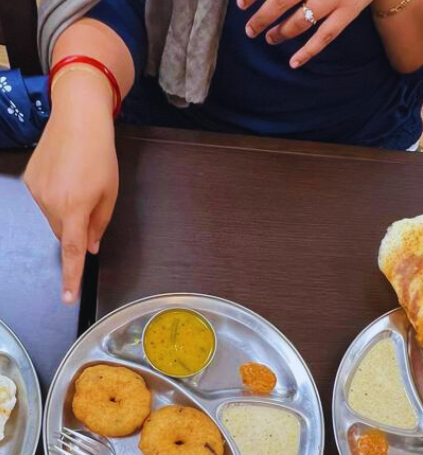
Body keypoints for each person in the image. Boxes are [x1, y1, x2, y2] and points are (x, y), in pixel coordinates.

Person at [24, 0, 423, 304]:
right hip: (169, 140)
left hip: (356, 155)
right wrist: (81, 92)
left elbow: (412, 55)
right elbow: (113, 9)